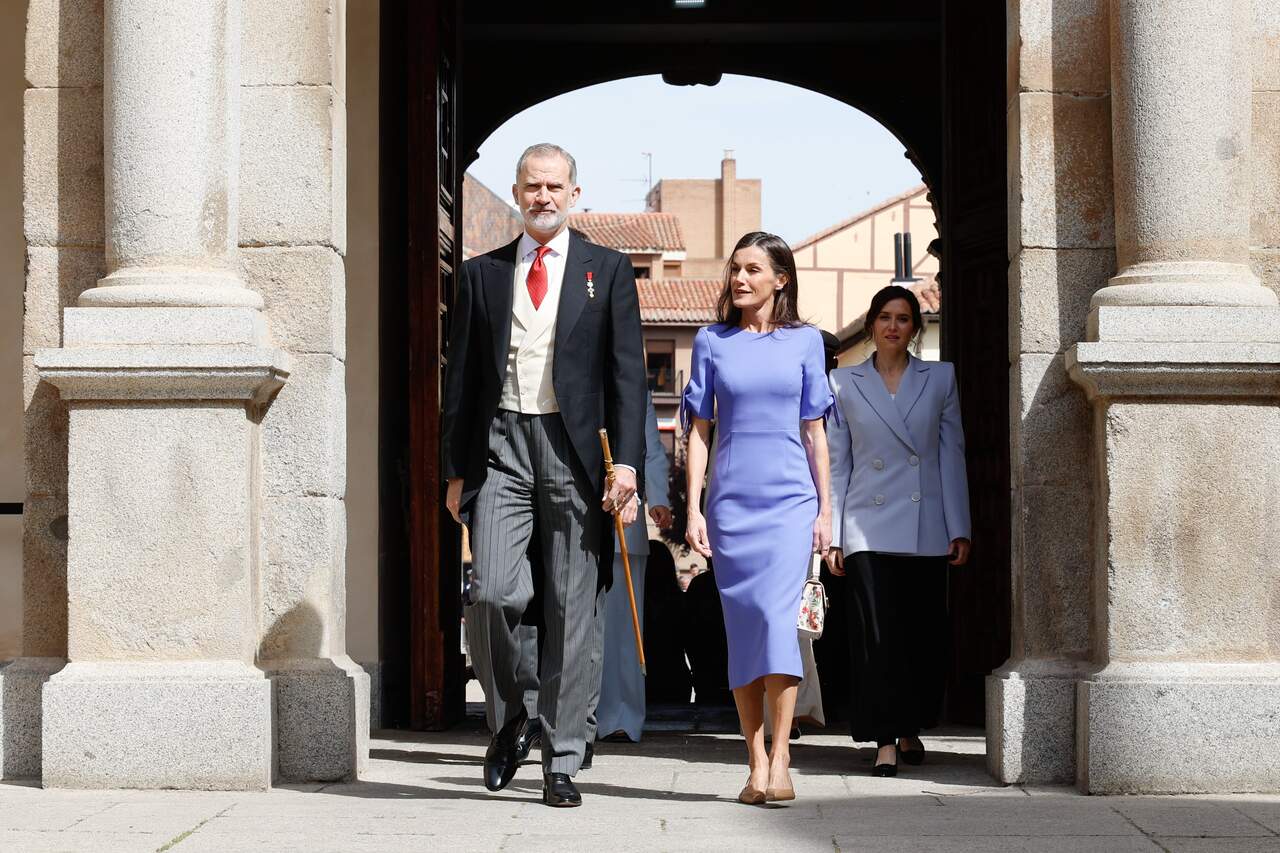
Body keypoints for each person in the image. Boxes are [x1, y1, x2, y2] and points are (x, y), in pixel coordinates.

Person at [442, 142, 647, 808]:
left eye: (556, 186)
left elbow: (627, 377)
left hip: (575, 450)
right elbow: (461, 382)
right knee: (493, 593)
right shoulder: (482, 275)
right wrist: (454, 472)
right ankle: (508, 725)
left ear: (574, 195)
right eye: (533, 186)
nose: (544, 197)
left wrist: (631, 469)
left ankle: (561, 758)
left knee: (570, 609)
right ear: (518, 191)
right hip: (500, 443)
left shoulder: (607, 271)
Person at [682, 231, 833, 806]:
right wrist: (694, 507)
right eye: (735, 269)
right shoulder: (711, 342)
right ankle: (753, 761)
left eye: (752, 270)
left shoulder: (805, 344)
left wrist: (825, 510)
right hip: (730, 504)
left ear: (781, 279)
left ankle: (783, 756)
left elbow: (816, 434)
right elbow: (698, 431)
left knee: (777, 624)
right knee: (744, 629)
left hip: (791, 504)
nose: (740, 279)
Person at [824, 284, 972, 777]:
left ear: (915, 327)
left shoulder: (940, 378)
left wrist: (960, 526)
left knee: (920, 638)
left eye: (903, 318)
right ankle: (884, 738)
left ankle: (908, 724)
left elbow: (951, 455)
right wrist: (835, 534)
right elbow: (838, 464)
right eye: (885, 317)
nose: (893, 326)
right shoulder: (843, 384)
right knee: (875, 638)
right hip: (866, 525)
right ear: (871, 325)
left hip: (926, 525)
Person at [595, 393, 672, 743]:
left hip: (626, 522)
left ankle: (625, 715)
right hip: (574, 519)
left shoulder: (634, 389)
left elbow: (652, 447)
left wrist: (658, 499)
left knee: (627, 633)